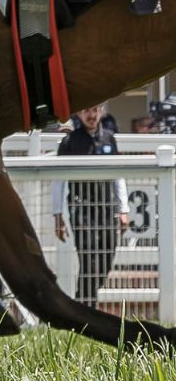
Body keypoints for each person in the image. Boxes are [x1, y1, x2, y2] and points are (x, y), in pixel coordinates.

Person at [52, 104, 129, 307]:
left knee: (106, 257)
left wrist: (124, 209)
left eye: (95, 110)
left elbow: (117, 175)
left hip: (107, 207)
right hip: (81, 208)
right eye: (87, 111)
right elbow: (58, 180)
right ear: (79, 113)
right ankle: (87, 308)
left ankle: (82, 303)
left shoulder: (109, 138)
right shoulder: (69, 141)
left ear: (101, 111)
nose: (91, 115)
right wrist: (57, 214)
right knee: (88, 259)